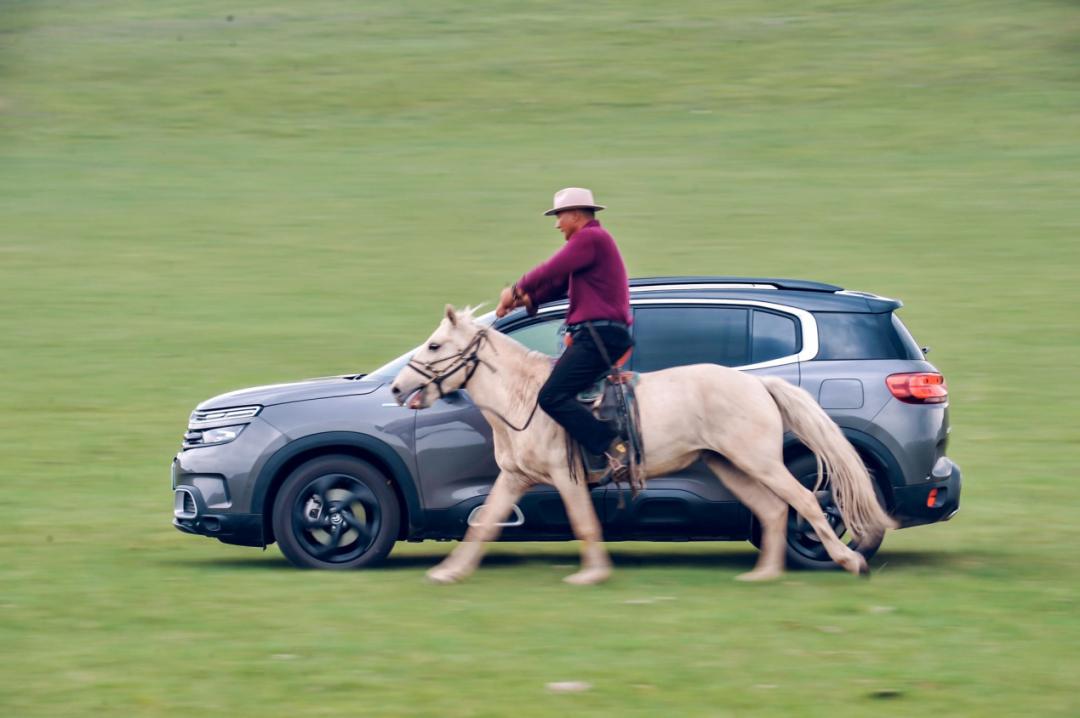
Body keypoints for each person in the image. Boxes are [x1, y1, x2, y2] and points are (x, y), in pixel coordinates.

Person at [496, 187, 633, 481]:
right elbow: (557, 283)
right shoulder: (589, 247)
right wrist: (524, 300)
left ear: (575, 215)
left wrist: (516, 289)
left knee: (551, 396)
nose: (557, 224)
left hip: (598, 336)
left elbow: (551, 268)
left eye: (560, 217)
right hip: (597, 335)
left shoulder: (591, 238)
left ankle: (613, 446)